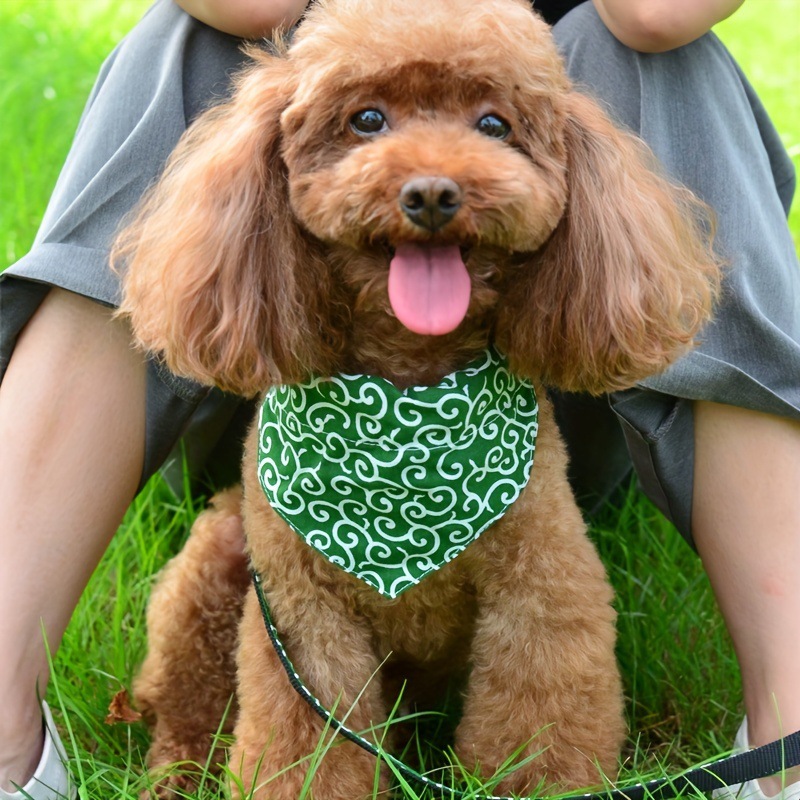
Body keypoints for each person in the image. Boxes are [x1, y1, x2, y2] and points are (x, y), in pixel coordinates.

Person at [1, 0, 798, 798]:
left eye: (492, 127)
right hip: (284, 416)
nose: (431, 182)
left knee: (657, 52)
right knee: (185, 36)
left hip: (527, 409)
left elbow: (657, 14)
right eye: (369, 121)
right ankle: (27, 727)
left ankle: (785, 730)